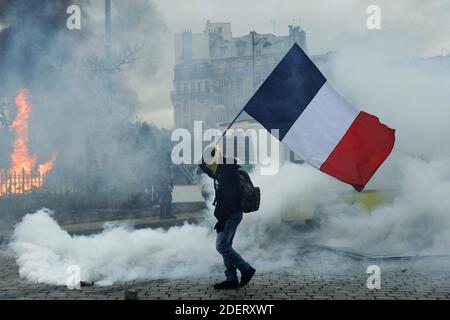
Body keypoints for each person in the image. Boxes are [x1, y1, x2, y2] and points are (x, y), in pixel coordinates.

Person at [198, 147, 256, 290]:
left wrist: (222, 220)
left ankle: (246, 269)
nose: (209, 165)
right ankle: (231, 280)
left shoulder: (226, 173)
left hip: (231, 214)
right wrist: (202, 165)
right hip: (231, 213)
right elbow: (214, 174)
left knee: (222, 246)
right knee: (226, 246)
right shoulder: (225, 169)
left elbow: (230, 199)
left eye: (209, 162)